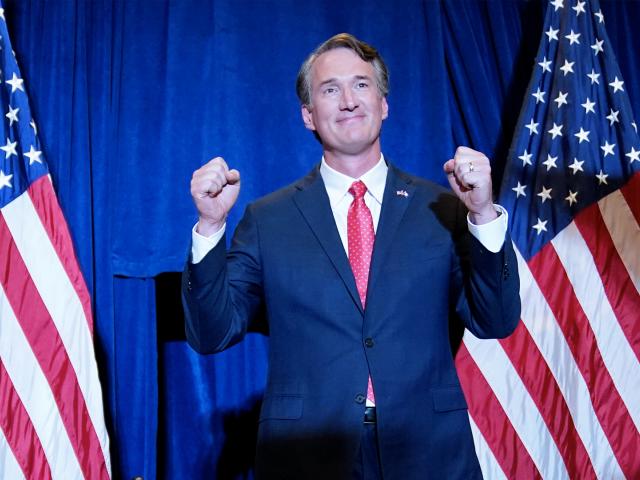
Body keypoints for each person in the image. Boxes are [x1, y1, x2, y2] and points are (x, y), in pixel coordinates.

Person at [182, 33, 520, 479]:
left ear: (384, 104)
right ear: (308, 116)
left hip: (428, 453)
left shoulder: (444, 210)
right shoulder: (268, 219)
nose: (348, 101)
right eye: (329, 89)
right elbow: (211, 333)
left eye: (361, 85)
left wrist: (482, 214)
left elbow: (495, 320)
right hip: (307, 457)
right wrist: (209, 228)